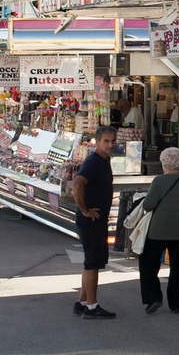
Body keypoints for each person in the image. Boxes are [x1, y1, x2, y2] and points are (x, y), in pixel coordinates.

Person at [137, 147, 179, 314]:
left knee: (148, 262)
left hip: (159, 228)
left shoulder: (159, 181)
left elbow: (148, 205)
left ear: (163, 163)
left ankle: (153, 297)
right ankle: (176, 303)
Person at [71, 125, 118, 320]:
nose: (110, 145)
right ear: (97, 142)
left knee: (92, 262)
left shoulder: (104, 161)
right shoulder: (93, 161)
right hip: (91, 219)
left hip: (96, 219)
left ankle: (82, 302)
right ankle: (92, 306)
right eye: (106, 141)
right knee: (92, 263)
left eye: (113, 141)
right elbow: (77, 184)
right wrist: (84, 209)